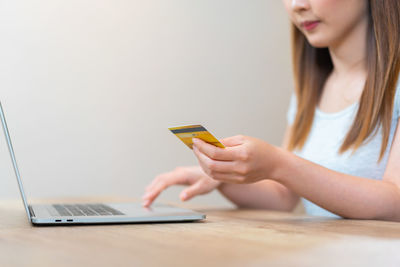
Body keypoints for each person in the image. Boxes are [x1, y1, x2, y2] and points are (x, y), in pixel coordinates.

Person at [142, 0, 400, 221]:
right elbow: (283, 196)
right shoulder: (310, 92)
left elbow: (395, 203)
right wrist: (223, 176)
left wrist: (279, 164)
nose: (296, 5)